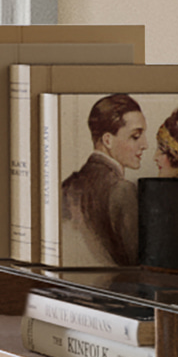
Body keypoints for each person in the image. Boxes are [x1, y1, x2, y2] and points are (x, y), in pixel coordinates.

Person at [59, 92, 147, 265]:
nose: (145, 145)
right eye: (135, 136)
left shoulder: (68, 184)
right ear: (107, 140)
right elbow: (135, 263)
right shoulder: (122, 190)